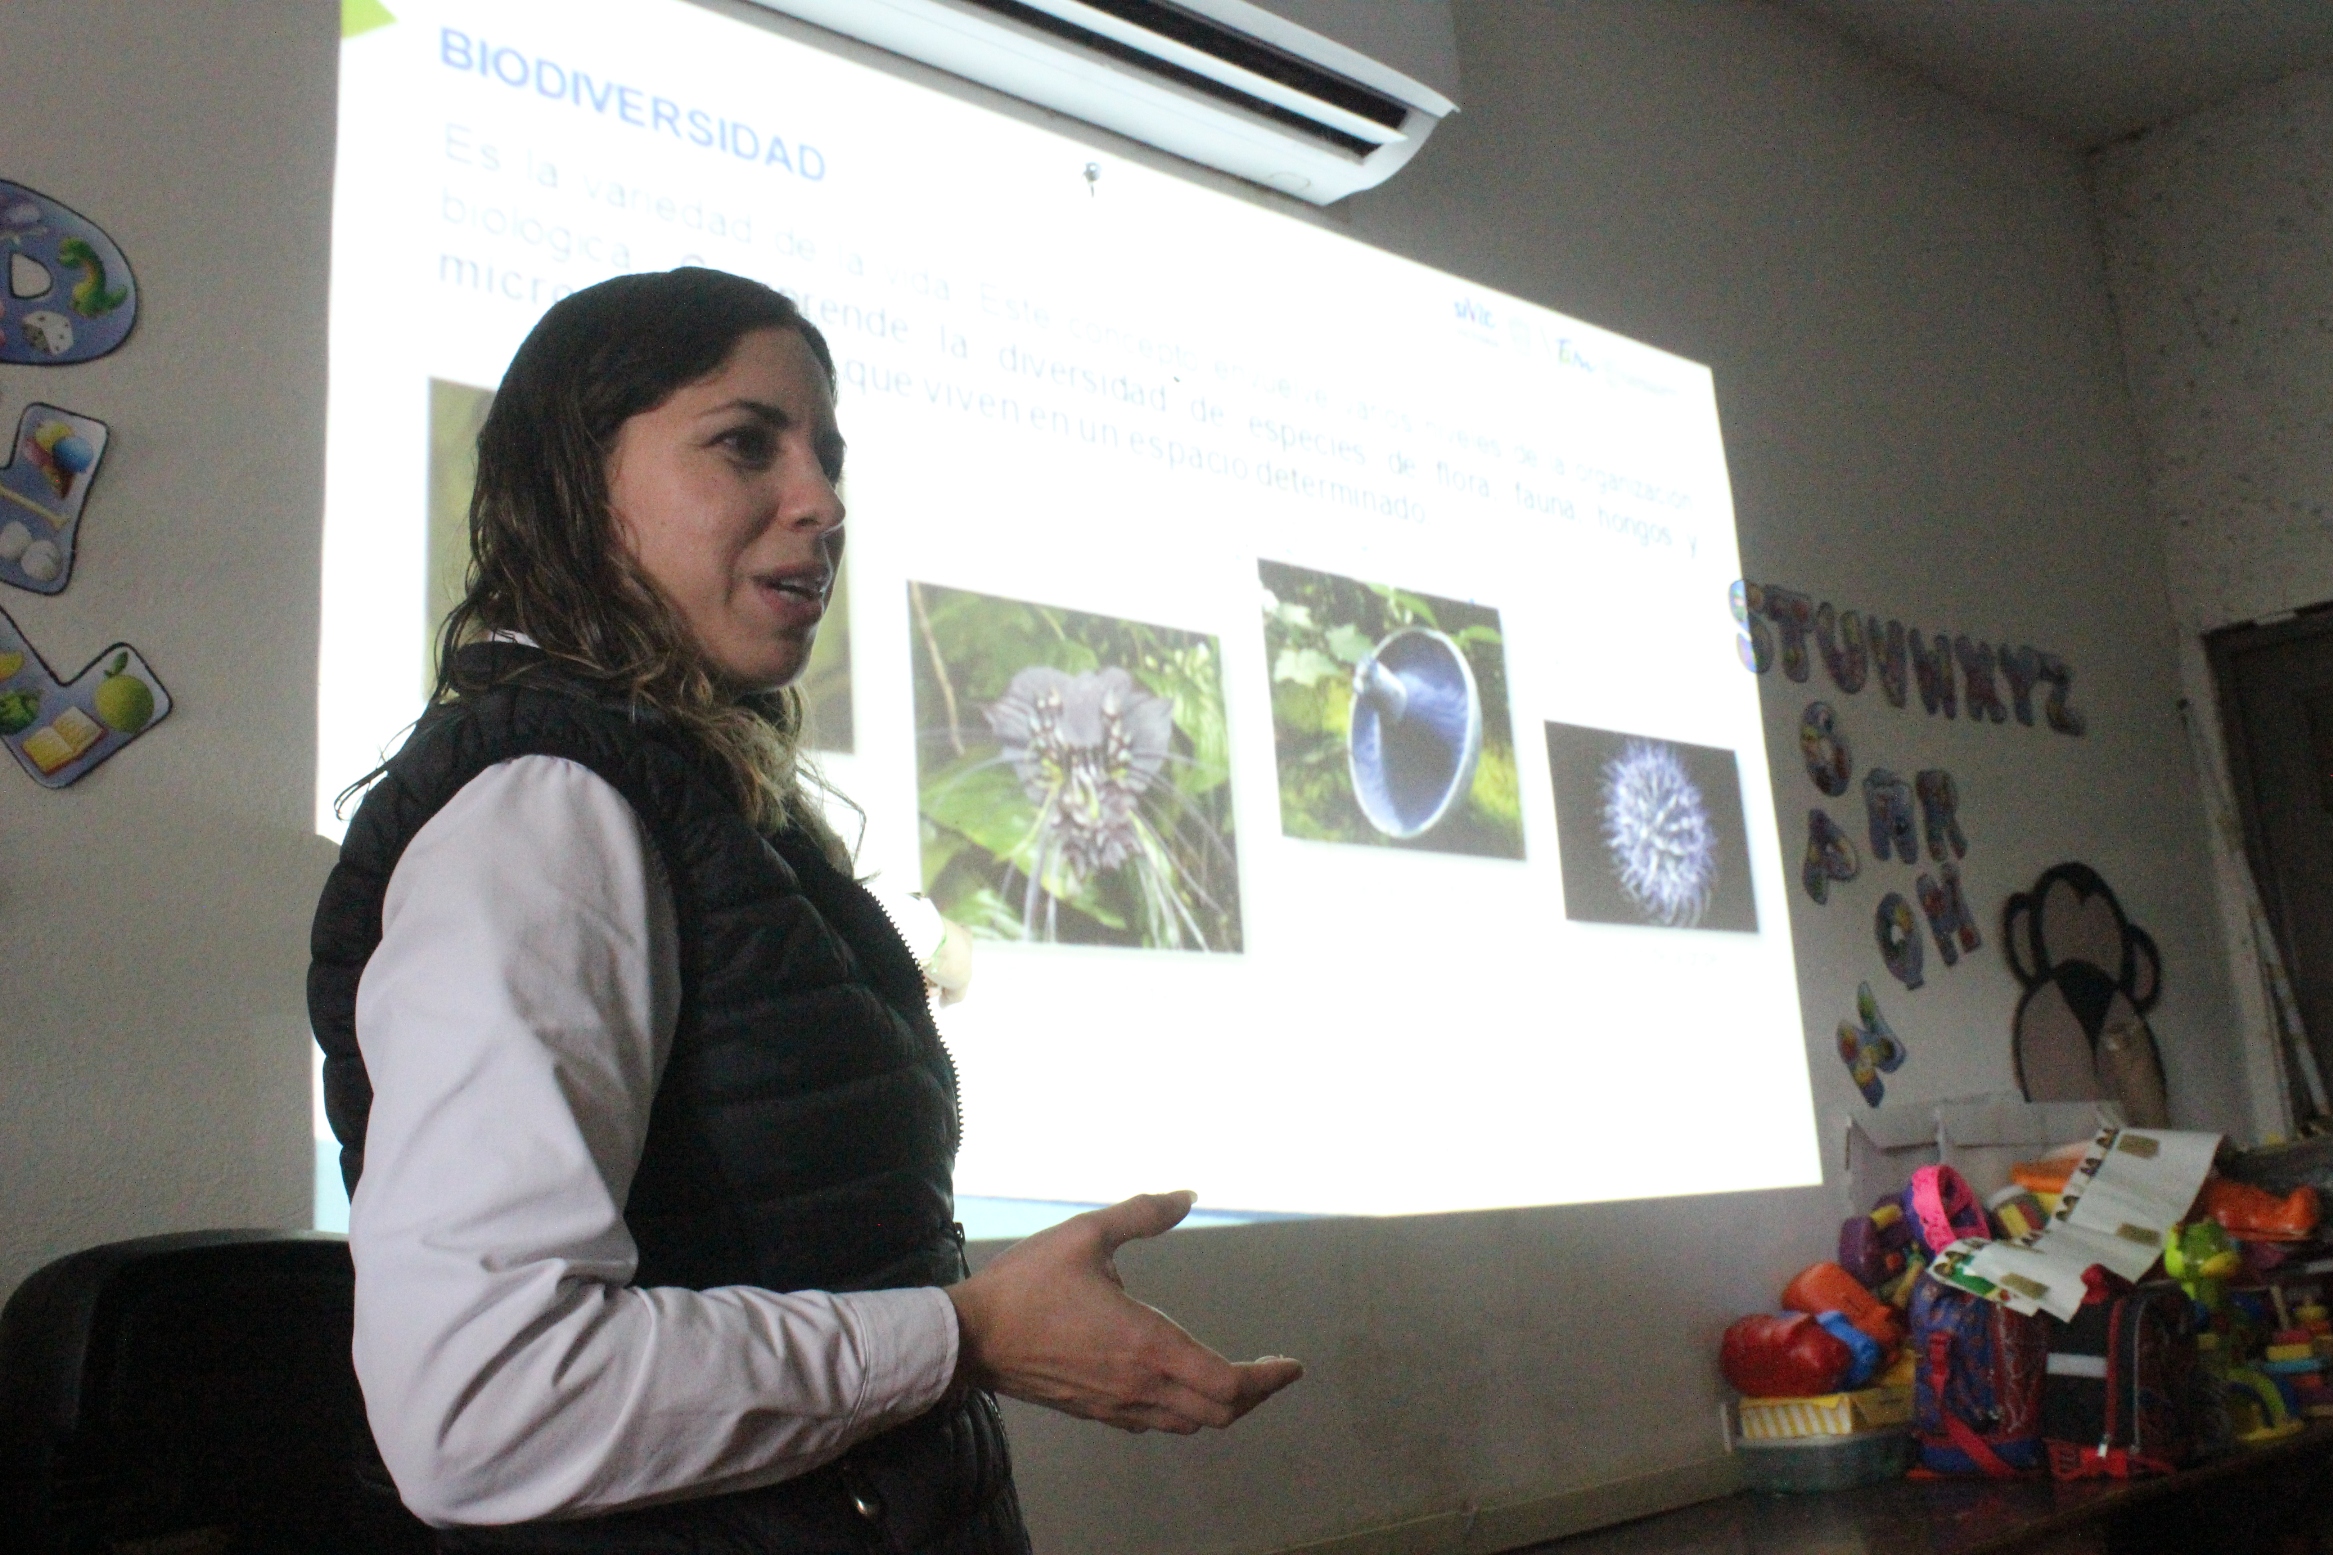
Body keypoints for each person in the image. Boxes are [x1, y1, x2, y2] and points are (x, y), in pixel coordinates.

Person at [308, 266, 1302, 1552]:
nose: (822, 503)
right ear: (575, 488)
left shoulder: (687, 792)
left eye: (828, 458)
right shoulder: (542, 812)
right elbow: (484, 1404)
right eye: (741, 444)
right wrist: (965, 1333)